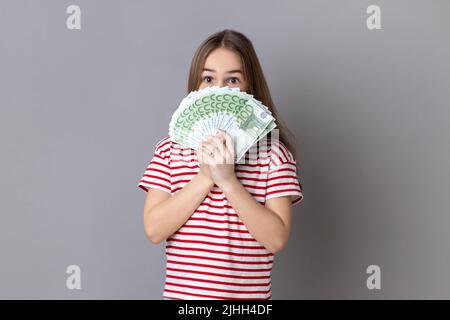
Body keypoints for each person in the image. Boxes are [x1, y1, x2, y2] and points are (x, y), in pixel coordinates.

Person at [137, 29, 304, 300]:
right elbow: (154, 229)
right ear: (196, 85)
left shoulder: (274, 155)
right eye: (208, 78)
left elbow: (276, 239)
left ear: (250, 87)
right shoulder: (170, 150)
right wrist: (205, 177)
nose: (219, 90)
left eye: (233, 79)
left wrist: (228, 180)